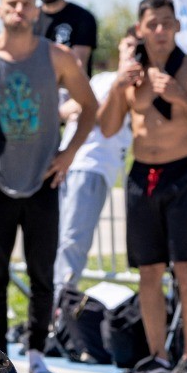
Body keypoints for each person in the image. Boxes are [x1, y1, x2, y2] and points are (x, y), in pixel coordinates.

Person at [98, 0, 187, 373]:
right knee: (149, 272)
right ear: (140, 29)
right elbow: (106, 128)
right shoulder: (132, 75)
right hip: (142, 176)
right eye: (152, 24)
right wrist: (119, 83)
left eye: (167, 23)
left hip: (185, 175)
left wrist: (181, 97)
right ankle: (157, 357)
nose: (159, 31)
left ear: (177, 27)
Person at [0, 0, 97, 373]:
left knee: (41, 270)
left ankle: (36, 351)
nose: (19, 9)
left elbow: (90, 106)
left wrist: (69, 153)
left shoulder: (58, 57)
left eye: (26, 3)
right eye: (11, 3)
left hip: (44, 180)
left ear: (36, 12)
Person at [52, 35, 134, 304]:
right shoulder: (101, 80)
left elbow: (101, 119)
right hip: (66, 161)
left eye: (138, 49)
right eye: (128, 46)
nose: (133, 54)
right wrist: (83, 106)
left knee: (73, 239)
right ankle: (53, 303)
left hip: (94, 166)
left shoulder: (137, 85)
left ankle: (60, 305)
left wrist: (88, 107)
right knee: (57, 237)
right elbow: (66, 108)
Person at [28, 0, 98, 75]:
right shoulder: (28, 18)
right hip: (31, 91)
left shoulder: (82, 17)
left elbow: (77, 67)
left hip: (67, 91)